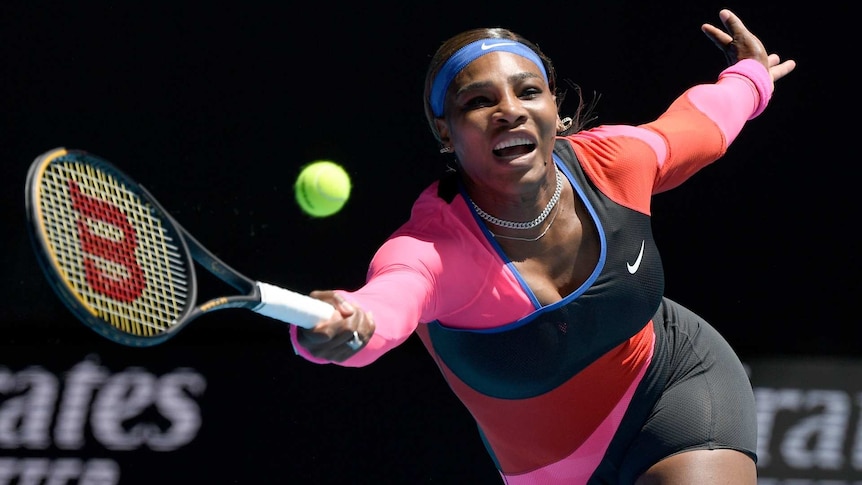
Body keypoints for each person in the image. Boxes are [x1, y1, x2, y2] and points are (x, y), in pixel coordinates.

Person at [282, 9, 796, 484]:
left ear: (553, 105)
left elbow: (701, 124)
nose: (509, 111)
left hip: (674, 384)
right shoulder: (432, 249)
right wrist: (342, 325)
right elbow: (384, 304)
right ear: (446, 128)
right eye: (479, 102)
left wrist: (749, 77)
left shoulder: (614, 164)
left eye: (528, 92)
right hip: (549, 472)